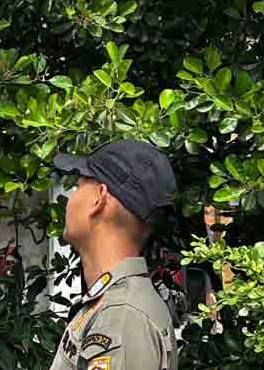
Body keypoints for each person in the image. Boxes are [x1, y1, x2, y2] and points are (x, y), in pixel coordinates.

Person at [48, 140, 180, 370]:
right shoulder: (115, 304)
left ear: (99, 198)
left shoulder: (123, 317)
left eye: (79, 186)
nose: (71, 200)